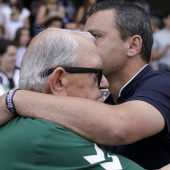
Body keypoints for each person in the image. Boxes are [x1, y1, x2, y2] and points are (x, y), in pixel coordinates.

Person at [0, 1, 170, 169]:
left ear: (133, 45)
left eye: (95, 36)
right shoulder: (103, 99)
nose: (86, 41)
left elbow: (120, 125)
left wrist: (16, 98)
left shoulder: (163, 84)